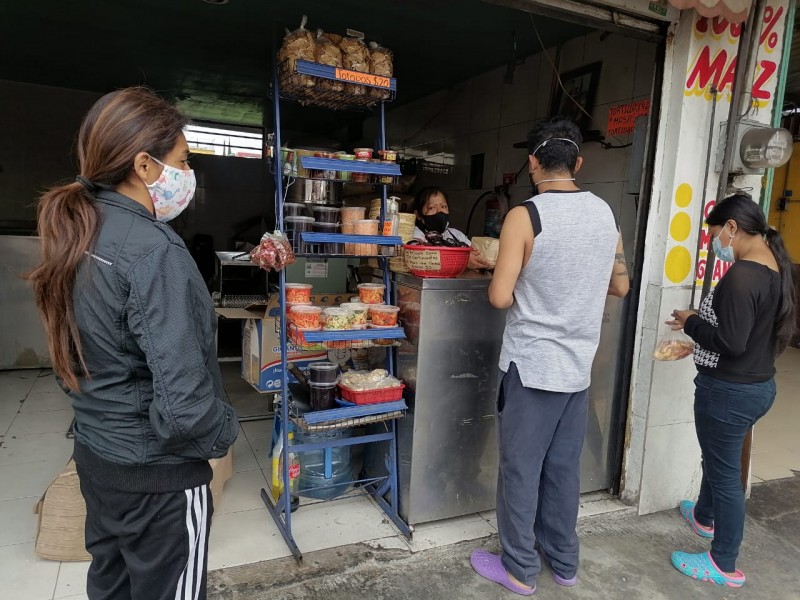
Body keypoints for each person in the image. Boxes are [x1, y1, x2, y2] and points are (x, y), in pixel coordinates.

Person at [29, 87, 238, 600]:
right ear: (144, 166)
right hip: (157, 480)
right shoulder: (155, 252)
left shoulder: (80, 229)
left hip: (98, 456)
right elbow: (185, 404)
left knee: (113, 584)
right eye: (183, 161)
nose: (187, 175)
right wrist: (225, 431)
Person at [470, 117, 629, 595]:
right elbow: (620, 284)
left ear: (533, 161)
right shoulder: (605, 213)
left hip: (533, 366)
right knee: (562, 470)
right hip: (577, 369)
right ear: (578, 162)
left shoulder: (527, 215)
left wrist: (526, 282)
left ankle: (519, 567)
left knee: (520, 468)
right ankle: (563, 562)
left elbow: (500, 296)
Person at [667, 193, 796, 588]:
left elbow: (732, 341)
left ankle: (723, 563)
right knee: (718, 458)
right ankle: (704, 517)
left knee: (725, 475)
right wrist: (699, 344)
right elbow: (750, 337)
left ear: (732, 228)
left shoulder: (743, 274)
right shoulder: (774, 267)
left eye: (714, 237)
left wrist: (691, 323)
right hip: (756, 386)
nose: (715, 245)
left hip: (729, 393)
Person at [412, 186, 492, 270]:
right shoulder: (415, 235)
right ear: (418, 215)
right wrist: (463, 261)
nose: (440, 211)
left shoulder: (457, 235)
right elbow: (422, 259)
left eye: (443, 206)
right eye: (432, 208)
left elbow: (475, 254)